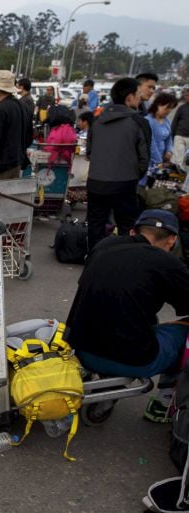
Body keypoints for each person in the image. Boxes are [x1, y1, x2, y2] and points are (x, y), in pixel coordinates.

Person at [65, 209, 189, 423]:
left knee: (139, 317)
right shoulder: (167, 264)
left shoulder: (103, 245)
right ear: (172, 240)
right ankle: (163, 404)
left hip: (81, 349)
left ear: (133, 231)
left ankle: (106, 378)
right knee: (184, 331)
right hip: (133, 359)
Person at [85, 77, 150, 251]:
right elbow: (144, 159)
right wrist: (133, 175)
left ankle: (94, 261)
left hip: (96, 182)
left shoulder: (97, 120)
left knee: (95, 225)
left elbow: (89, 152)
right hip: (125, 183)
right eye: (138, 94)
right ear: (129, 97)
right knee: (126, 227)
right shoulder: (138, 122)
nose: (140, 98)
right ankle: (120, 264)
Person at [0, 70, 33, 179]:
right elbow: (29, 136)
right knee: (9, 194)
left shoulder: (0, 109)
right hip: (16, 162)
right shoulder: (21, 106)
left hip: (1, 164)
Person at [141, 92, 178, 185]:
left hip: (161, 159)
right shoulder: (148, 121)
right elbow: (151, 144)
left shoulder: (167, 121)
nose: (169, 111)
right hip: (149, 160)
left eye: (171, 108)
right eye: (167, 108)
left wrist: (169, 150)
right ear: (158, 104)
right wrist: (159, 162)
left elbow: (169, 138)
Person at [172, 87, 189, 172]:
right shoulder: (181, 108)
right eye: (186, 95)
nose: (187, 97)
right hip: (179, 135)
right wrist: (172, 136)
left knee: (187, 160)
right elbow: (175, 121)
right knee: (179, 158)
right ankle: (179, 176)